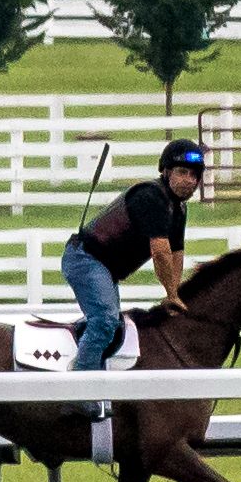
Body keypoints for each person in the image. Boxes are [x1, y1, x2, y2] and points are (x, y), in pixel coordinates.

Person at [64, 137, 208, 377]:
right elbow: (160, 251)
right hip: (85, 259)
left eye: (194, 176)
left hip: (104, 268)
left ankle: (93, 368)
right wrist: (171, 294)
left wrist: (175, 293)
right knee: (105, 321)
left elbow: (176, 254)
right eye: (182, 172)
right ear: (166, 171)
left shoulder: (179, 209)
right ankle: (78, 390)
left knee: (112, 325)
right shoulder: (152, 197)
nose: (189, 181)